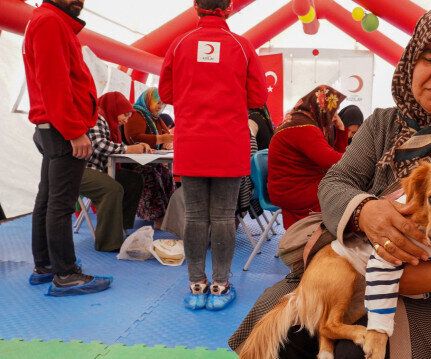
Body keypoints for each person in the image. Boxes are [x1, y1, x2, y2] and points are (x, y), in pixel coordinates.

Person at [229, 5, 431, 358]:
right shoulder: (381, 124)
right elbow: (336, 181)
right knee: (284, 337)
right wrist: (364, 211)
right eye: (430, 58)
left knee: (352, 353)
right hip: (359, 264)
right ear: (410, 62)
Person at [158, 0, 268, 311]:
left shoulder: (179, 44)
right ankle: (220, 286)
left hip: (191, 142)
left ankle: (196, 285)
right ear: (229, 8)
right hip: (228, 144)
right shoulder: (242, 46)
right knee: (222, 217)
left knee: (194, 216)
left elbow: (165, 94)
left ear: (196, 7)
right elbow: (258, 97)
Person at [22, 0, 111, 295]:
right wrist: (74, 131)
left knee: (48, 199)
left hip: (52, 126)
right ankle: (66, 274)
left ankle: (46, 265)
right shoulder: (50, 23)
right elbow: (54, 81)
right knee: (60, 203)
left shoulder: (45, 20)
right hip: (63, 128)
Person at [267, 85, 348, 229]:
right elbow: (330, 160)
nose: (335, 114)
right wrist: (361, 161)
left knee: (340, 188)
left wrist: (341, 130)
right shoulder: (304, 128)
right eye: (333, 109)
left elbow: (330, 158)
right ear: (322, 107)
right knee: (341, 195)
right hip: (292, 189)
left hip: (292, 186)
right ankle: (324, 243)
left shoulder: (301, 120)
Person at [79, 92, 149, 252]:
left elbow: (108, 144)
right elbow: (97, 144)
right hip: (81, 170)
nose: (127, 119)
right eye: (125, 114)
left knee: (133, 180)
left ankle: (120, 229)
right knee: (112, 189)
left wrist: (135, 147)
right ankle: (108, 243)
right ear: (114, 108)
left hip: (97, 169)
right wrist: (128, 148)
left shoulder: (108, 121)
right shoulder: (98, 117)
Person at [123, 87, 175, 228]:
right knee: (152, 176)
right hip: (133, 163)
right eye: (157, 103)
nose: (160, 107)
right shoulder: (136, 114)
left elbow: (167, 136)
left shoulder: (155, 118)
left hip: (150, 161)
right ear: (148, 100)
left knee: (166, 174)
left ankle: (168, 215)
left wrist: (166, 144)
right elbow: (134, 137)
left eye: (163, 104)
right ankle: (157, 216)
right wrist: (161, 139)